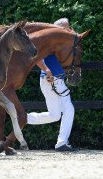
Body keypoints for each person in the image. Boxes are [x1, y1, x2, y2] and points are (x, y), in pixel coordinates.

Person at [27, 18, 78, 151]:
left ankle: (23, 118)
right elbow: (35, 56)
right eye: (66, 28)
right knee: (68, 110)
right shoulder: (52, 41)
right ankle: (61, 142)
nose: (68, 30)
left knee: (55, 115)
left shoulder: (55, 42)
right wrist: (47, 71)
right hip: (53, 80)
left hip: (52, 80)